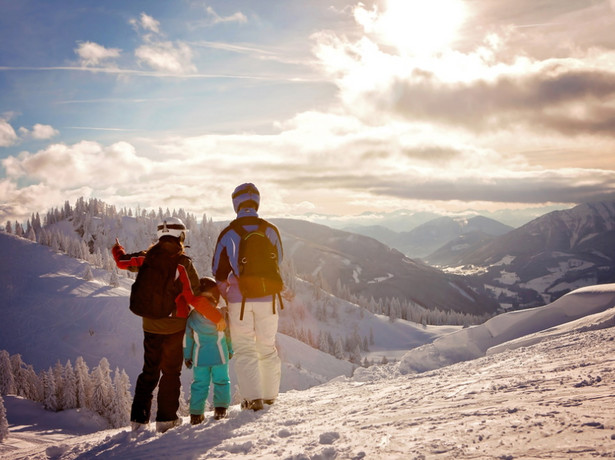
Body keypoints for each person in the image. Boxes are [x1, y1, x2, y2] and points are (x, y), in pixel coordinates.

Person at [112, 217, 225, 433]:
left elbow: (122, 262)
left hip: (150, 325)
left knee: (149, 371)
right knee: (171, 372)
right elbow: (194, 298)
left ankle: (138, 420)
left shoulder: (146, 258)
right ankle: (166, 420)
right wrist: (216, 317)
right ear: (181, 236)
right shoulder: (182, 263)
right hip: (174, 326)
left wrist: (117, 249)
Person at [212, 183, 284, 411]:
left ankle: (253, 399)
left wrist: (229, 292)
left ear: (236, 203)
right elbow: (278, 261)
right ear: (257, 202)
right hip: (269, 299)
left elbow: (218, 270)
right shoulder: (270, 229)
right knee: (267, 347)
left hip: (240, 301)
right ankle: (270, 396)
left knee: (245, 349)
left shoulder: (228, 232)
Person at [183, 277, 233, 424]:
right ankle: (221, 410)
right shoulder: (221, 315)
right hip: (220, 356)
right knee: (222, 382)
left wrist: (187, 356)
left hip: (200, 358)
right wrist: (230, 350)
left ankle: (196, 414)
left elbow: (188, 339)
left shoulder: (192, 316)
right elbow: (228, 334)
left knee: (199, 384)